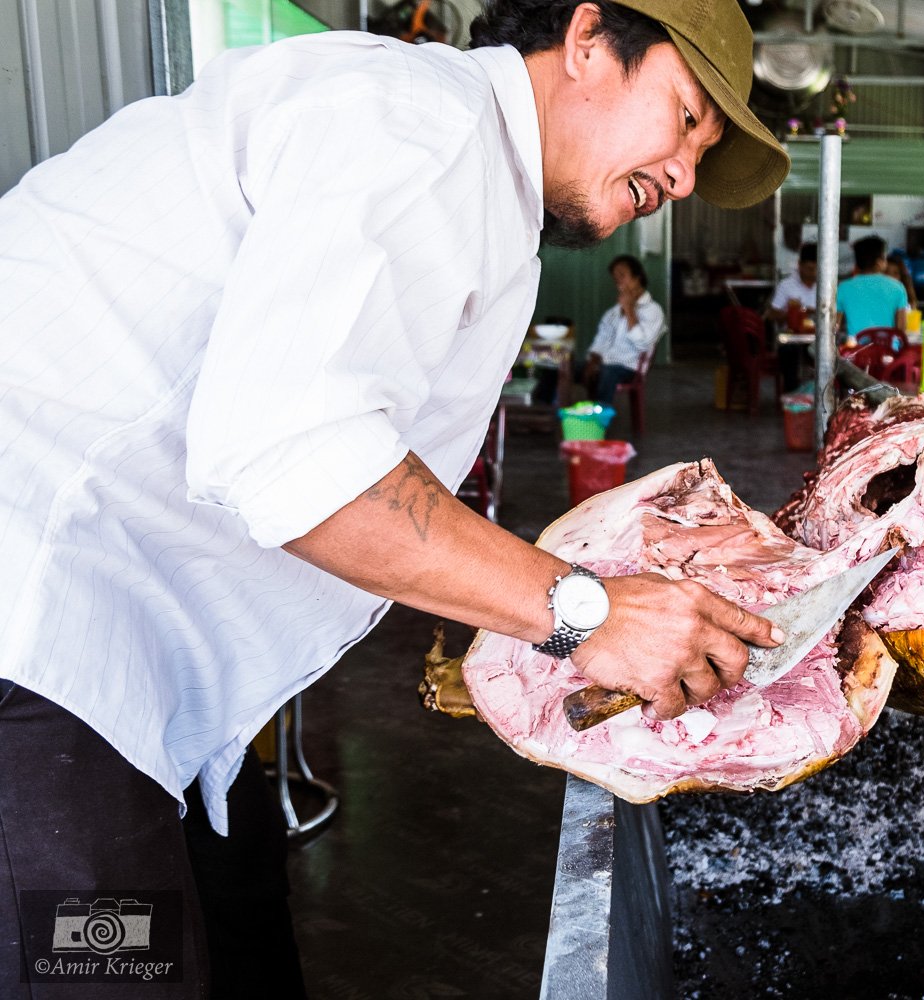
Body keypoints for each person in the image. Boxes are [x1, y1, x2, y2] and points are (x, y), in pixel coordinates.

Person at [0, 1, 789, 996]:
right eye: (682, 117)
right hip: (35, 648)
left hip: (139, 674)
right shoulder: (424, 127)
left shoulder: (477, 187)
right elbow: (293, 451)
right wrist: (583, 610)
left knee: (229, 933)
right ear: (588, 40)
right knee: (98, 968)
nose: (681, 178)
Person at [575, 254, 665, 404]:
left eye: (622, 275)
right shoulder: (614, 311)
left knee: (607, 373)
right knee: (563, 368)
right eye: (615, 277)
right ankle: (545, 415)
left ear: (638, 277)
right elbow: (602, 337)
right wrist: (593, 360)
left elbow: (643, 344)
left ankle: (598, 421)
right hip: (605, 363)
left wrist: (629, 310)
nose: (618, 281)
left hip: (629, 368)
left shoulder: (653, 310)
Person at [767, 242, 819, 389]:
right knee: (789, 353)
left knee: (828, 355)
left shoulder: (825, 286)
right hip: (791, 339)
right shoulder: (787, 285)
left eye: (817, 269)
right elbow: (771, 314)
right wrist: (793, 313)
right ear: (799, 265)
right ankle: (791, 397)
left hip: (816, 338)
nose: (813, 273)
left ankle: (820, 395)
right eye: (809, 268)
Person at [837, 235, 909, 338]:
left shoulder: (843, 287)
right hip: (888, 351)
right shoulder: (898, 287)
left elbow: (834, 326)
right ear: (879, 262)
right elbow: (901, 329)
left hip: (855, 351)